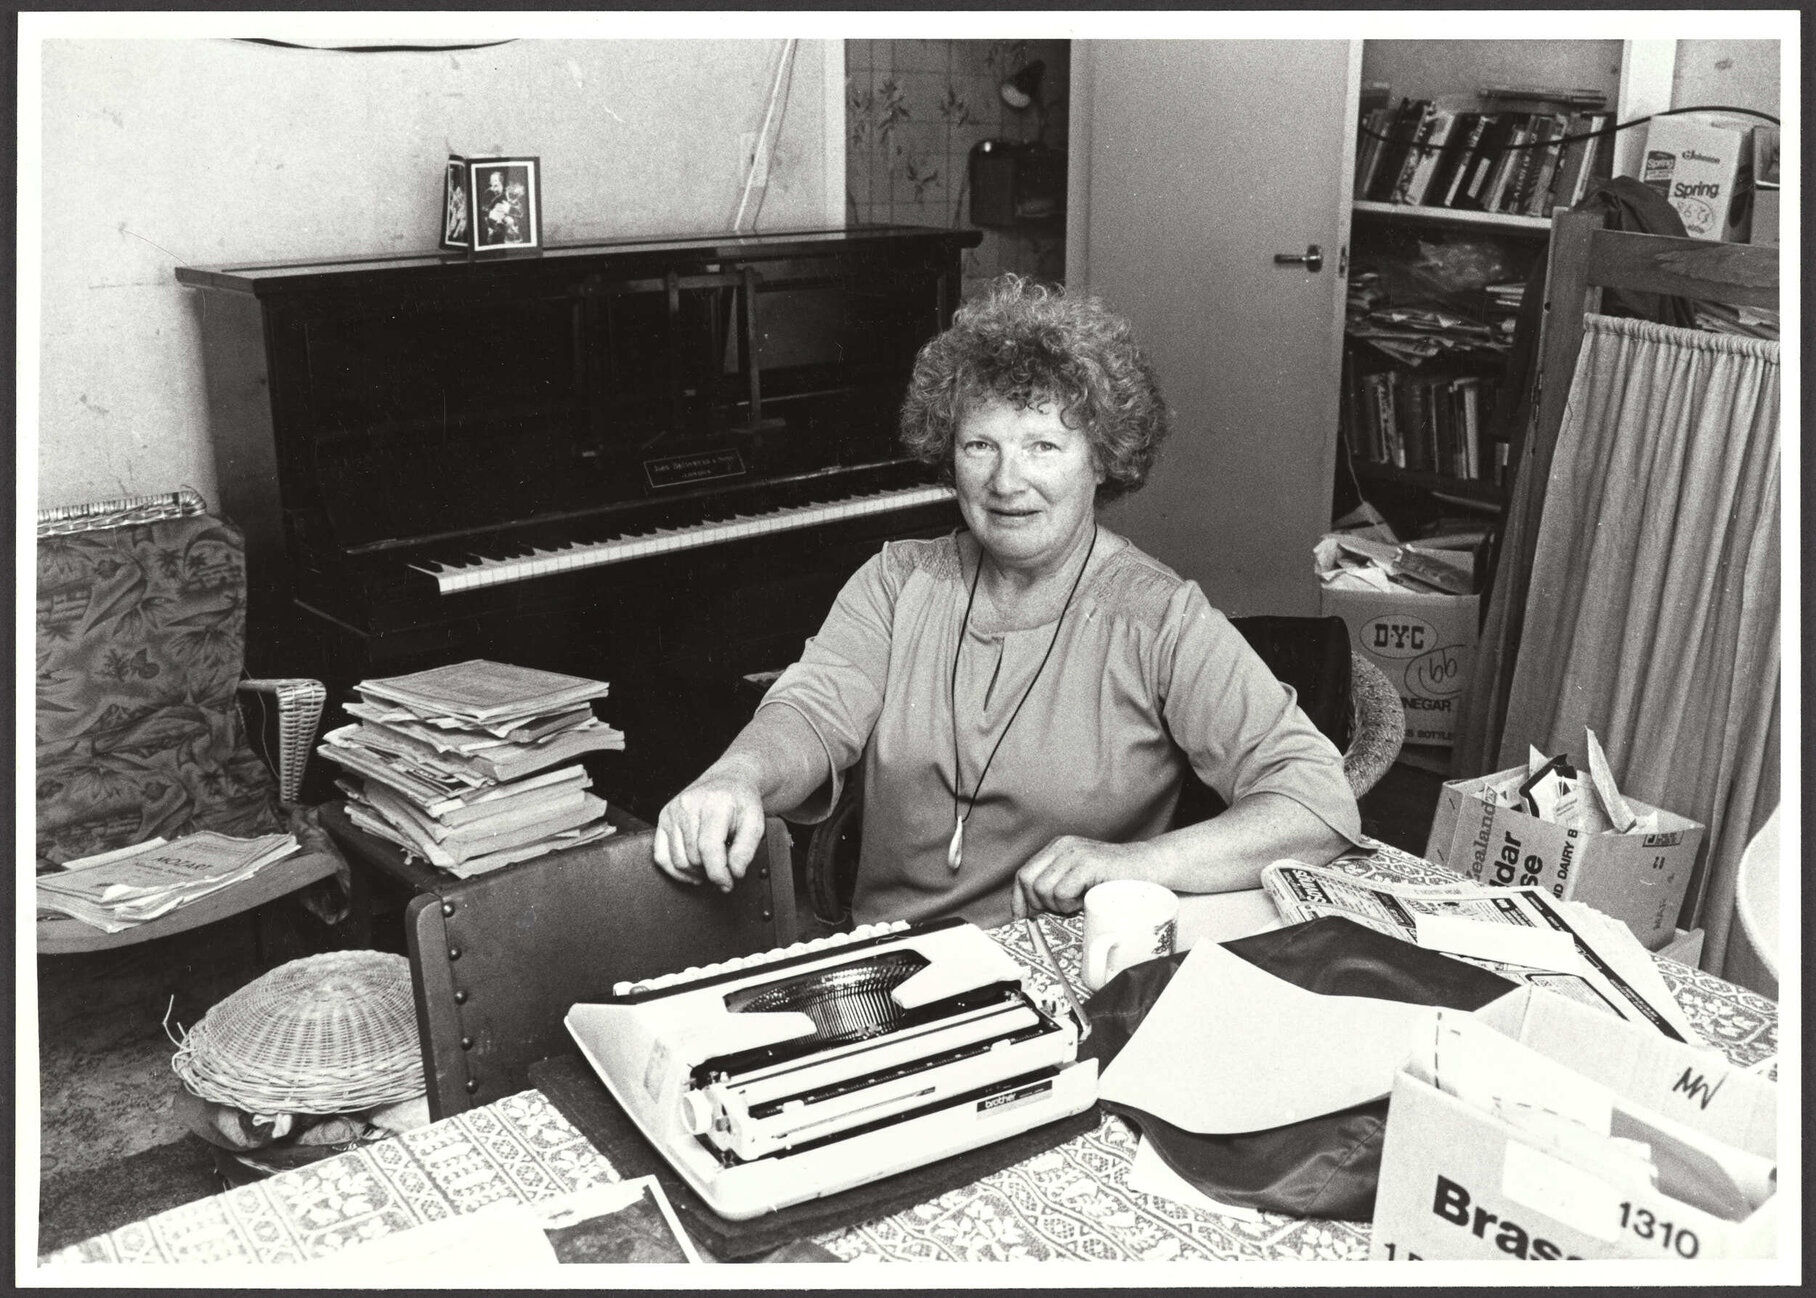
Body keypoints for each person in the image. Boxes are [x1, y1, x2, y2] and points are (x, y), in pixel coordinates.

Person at [653, 274, 1361, 926]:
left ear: (1102, 460)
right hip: (893, 963)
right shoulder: (899, 581)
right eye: (980, 445)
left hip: (1065, 970)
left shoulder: (1157, 616)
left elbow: (1316, 802)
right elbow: (812, 712)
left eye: (1044, 447)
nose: (1006, 481)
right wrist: (736, 777)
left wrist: (1134, 865)